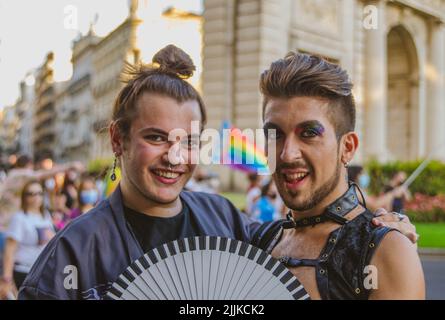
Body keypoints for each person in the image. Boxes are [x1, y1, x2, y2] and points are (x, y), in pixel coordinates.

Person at [18, 45, 416, 300]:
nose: (174, 157)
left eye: (189, 141)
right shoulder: (72, 253)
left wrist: (381, 233)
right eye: (156, 137)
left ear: (348, 146)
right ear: (118, 140)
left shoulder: (227, 222)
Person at [254, 52, 424, 299]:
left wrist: (394, 247)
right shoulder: (260, 239)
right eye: (275, 135)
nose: (287, 155)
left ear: (347, 147)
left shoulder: (384, 253)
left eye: (309, 133)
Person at [0, 180, 55, 299]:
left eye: (39, 193)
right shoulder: (19, 218)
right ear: (24, 197)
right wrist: (7, 279)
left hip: (43, 273)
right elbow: (9, 250)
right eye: (31, 194)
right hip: (24, 272)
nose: (36, 197)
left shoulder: (45, 216)